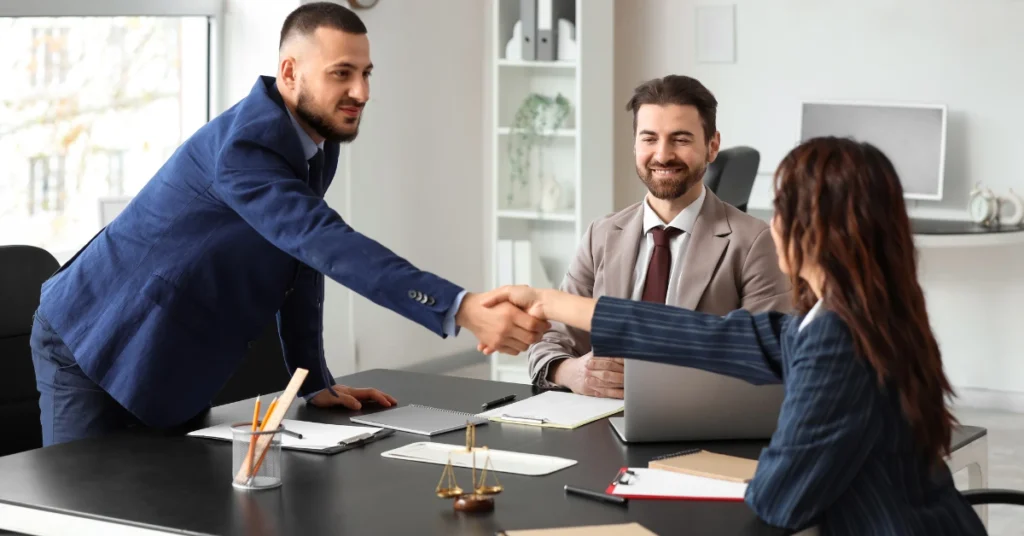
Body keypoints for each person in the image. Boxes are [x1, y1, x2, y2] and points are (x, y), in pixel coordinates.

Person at [30, 2, 547, 447]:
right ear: (289, 73)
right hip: (93, 340)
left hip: (171, 356)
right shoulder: (247, 147)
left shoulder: (312, 146)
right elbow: (324, 241)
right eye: (342, 73)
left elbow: (300, 259)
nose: (361, 91)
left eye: (367, 74)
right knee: (80, 512)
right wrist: (459, 307)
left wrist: (313, 381)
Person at [483, 137, 986, 535]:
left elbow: (780, 499)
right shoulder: (859, 319)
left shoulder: (837, 340)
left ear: (815, 230)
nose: (773, 224)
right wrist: (548, 301)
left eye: (782, 209)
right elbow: (704, 336)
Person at [526, 75, 790, 397]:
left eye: (680, 139)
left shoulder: (755, 242)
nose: (662, 155)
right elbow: (551, 339)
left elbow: (770, 362)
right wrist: (571, 372)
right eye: (649, 139)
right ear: (635, 144)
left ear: (712, 146)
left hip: (698, 425)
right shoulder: (602, 234)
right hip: (601, 421)